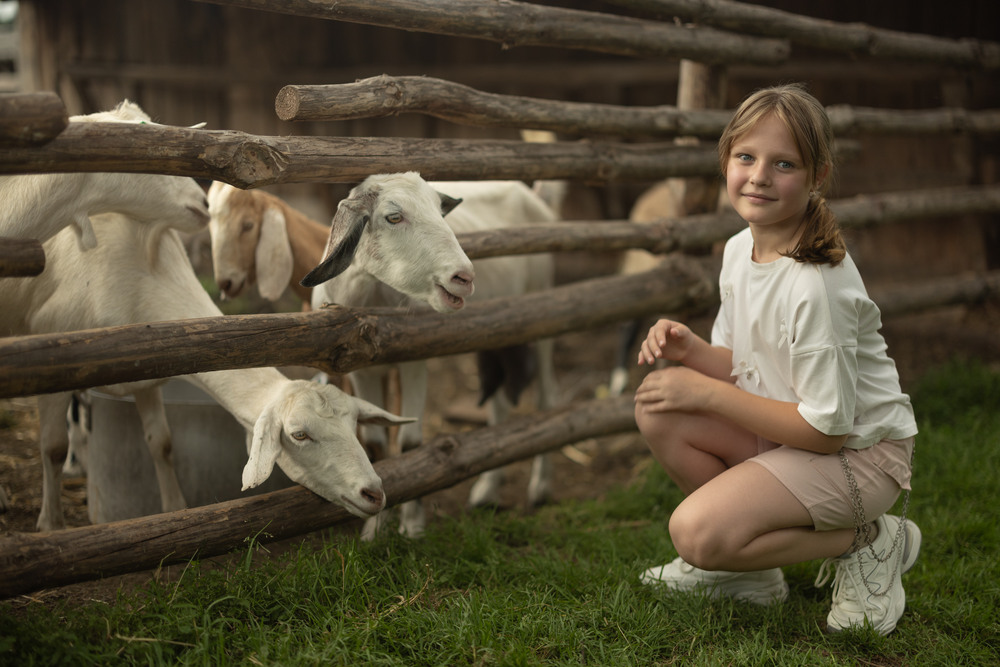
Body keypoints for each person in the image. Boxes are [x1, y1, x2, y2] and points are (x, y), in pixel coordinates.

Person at [633, 83, 920, 635]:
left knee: (696, 533)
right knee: (659, 407)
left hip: (860, 460)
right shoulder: (741, 248)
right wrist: (690, 351)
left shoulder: (817, 286)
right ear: (726, 162)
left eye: (783, 163)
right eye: (746, 156)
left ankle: (873, 540)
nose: (759, 175)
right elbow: (744, 366)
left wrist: (708, 392)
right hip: (798, 437)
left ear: (818, 178)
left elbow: (828, 430)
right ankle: (751, 575)